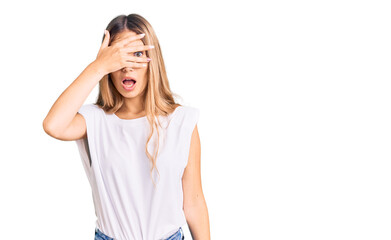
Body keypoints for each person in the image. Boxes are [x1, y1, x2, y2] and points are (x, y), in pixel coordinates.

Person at [42, 14, 210, 240]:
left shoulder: (181, 121)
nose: (127, 66)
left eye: (137, 54)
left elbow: (194, 201)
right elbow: (53, 125)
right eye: (117, 56)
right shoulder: (94, 120)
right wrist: (98, 67)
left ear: (153, 61)